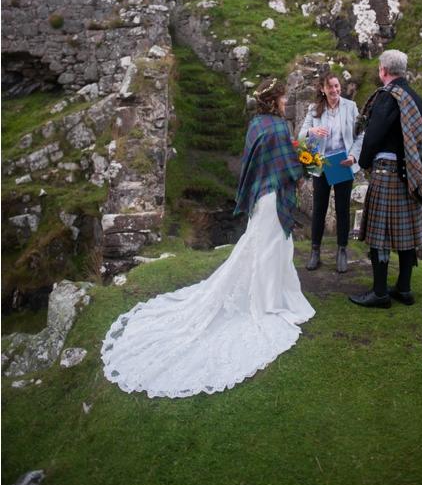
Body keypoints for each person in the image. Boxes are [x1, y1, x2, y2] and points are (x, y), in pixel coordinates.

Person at [101, 79, 315, 397]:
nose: (286, 102)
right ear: (274, 100)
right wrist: (307, 166)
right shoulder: (279, 128)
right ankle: (268, 304)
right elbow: (286, 167)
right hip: (273, 198)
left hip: (261, 197)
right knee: (269, 249)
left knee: (264, 246)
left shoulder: (256, 124)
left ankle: (272, 296)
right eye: (283, 97)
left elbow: (255, 163)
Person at [351, 49, 422, 309]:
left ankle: (379, 292)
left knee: (381, 236)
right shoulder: (416, 98)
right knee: (406, 233)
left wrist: (363, 161)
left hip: (387, 173)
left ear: (384, 71)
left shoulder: (387, 98)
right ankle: (404, 288)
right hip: (410, 173)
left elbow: (373, 135)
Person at [299, 72, 360, 273]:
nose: (334, 90)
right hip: (321, 163)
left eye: (337, 86)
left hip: (342, 162)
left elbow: (361, 135)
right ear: (322, 89)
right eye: (330, 87)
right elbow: (300, 134)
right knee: (319, 209)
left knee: (342, 208)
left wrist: (353, 157)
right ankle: (314, 251)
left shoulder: (350, 107)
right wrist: (312, 132)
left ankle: (342, 251)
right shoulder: (314, 109)